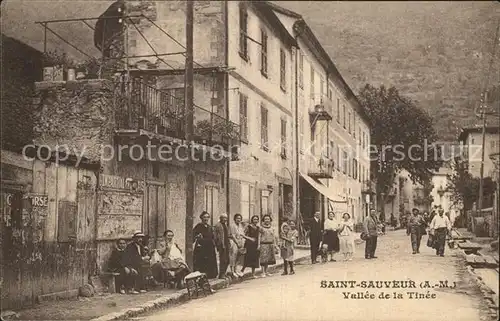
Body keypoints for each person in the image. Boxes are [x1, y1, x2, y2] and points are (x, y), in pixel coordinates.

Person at [193, 211, 218, 279]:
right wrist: (197, 236)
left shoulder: (209, 227)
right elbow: (193, 235)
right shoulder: (198, 226)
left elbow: (212, 236)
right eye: (204, 217)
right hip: (201, 246)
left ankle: (210, 275)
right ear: (201, 218)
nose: (206, 219)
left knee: (210, 261)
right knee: (202, 262)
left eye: (207, 217)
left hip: (209, 247)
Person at [214, 213, 231, 279]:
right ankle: (221, 274)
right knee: (223, 260)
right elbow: (215, 236)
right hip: (222, 245)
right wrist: (218, 245)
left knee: (227, 260)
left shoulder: (225, 225)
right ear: (220, 218)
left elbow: (227, 235)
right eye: (223, 218)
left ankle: (224, 273)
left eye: (226, 218)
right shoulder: (218, 225)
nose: (225, 219)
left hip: (226, 244)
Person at [229, 213, 245, 278]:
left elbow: (242, 234)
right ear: (234, 219)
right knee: (233, 256)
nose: (238, 220)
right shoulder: (232, 226)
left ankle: (236, 270)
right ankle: (232, 271)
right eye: (237, 218)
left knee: (238, 257)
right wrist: (237, 243)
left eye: (240, 218)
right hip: (234, 242)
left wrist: (242, 242)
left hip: (240, 241)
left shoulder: (240, 226)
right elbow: (233, 235)